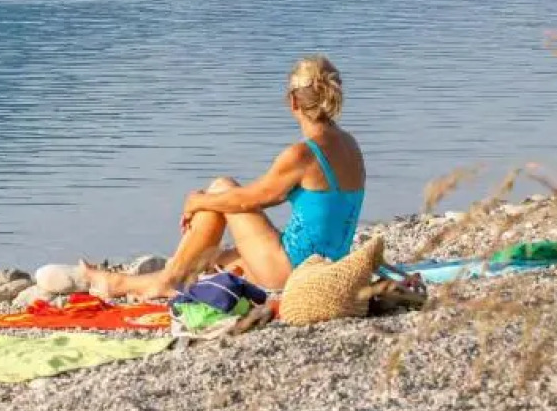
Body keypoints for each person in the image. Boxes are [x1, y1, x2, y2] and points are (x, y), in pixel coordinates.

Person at [80, 55, 365, 299]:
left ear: (293, 102)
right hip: (329, 266)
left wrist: (196, 201)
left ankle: (159, 281)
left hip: (293, 271)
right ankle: (170, 273)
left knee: (221, 188)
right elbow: (276, 199)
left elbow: (247, 201)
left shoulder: (303, 154)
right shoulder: (351, 145)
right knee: (214, 258)